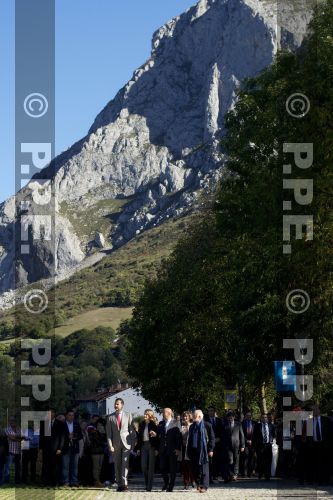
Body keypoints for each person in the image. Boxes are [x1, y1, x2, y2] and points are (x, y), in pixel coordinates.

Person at [106, 397, 135, 492]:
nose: (116, 405)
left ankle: (124, 484)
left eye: (117, 404)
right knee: (117, 464)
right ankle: (119, 484)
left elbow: (131, 431)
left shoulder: (128, 415)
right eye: (115, 404)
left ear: (122, 405)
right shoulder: (110, 417)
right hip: (115, 444)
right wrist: (110, 445)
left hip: (127, 443)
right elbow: (109, 433)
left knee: (125, 464)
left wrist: (133, 444)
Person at [150, 408, 182, 492]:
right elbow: (158, 435)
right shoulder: (161, 423)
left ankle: (171, 485)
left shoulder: (176, 422)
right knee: (162, 467)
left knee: (172, 469)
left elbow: (179, 437)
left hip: (172, 449)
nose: (162, 414)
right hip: (162, 449)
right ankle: (166, 482)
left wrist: (178, 448)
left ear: (169, 413)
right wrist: (155, 434)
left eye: (163, 412)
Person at [187, 409, 215, 493]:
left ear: (199, 416)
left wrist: (210, 449)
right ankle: (198, 484)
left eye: (194, 415)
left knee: (204, 470)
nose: (193, 417)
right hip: (194, 450)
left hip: (204, 451)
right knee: (194, 469)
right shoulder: (192, 426)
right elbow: (190, 439)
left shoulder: (207, 425)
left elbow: (212, 438)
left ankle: (204, 486)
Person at [39, 409, 65, 486]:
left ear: (54, 414)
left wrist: (60, 448)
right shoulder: (44, 423)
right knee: (45, 465)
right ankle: (45, 481)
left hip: (56, 449)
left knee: (55, 465)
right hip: (46, 448)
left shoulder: (60, 423)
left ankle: (55, 481)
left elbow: (62, 437)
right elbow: (42, 437)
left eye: (51, 413)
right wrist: (40, 448)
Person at [310, 405, 332, 484]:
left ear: (319, 410)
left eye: (315, 409)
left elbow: (330, 433)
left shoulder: (326, 420)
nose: (313, 411)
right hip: (315, 445)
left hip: (325, 445)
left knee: (326, 462)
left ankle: (326, 479)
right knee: (316, 463)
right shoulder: (310, 421)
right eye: (312, 410)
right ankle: (318, 480)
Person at [137, 409, 158, 491]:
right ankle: (147, 483)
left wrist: (156, 449)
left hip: (152, 446)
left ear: (150, 416)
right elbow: (139, 438)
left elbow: (157, 438)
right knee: (143, 466)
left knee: (151, 467)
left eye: (146, 414)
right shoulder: (141, 424)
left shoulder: (154, 424)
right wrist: (138, 448)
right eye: (144, 414)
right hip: (143, 446)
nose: (145, 416)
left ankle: (149, 486)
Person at [221, 410, 245, 482]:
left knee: (236, 460)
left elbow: (242, 435)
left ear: (234, 417)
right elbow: (223, 436)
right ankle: (231, 474)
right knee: (230, 460)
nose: (230, 418)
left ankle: (235, 474)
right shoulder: (225, 424)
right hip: (228, 446)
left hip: (237, 445)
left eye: (231, 417)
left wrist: (243, 445)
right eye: (229, 417)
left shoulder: (238, 424)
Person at [62, 409, 83, 487]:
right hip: (65, 447)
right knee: (65, 466)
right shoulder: (62, 424)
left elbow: (80, 437)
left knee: (75, 466)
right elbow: (60, 436)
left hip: (75, 448)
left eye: (72, 415)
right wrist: (67, 437)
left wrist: (74, 437)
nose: (71, 417)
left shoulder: (76, 425)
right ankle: (66, 481)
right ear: (66, 416)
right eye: (69, 415)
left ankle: (74, 481)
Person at [4, 416, 28, 484]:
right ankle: (6, 481)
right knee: (8, 467)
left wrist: (18, 437)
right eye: (11, 421)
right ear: (9, 422)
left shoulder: (19, 429)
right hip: (10, 451)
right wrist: (19, 438)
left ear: (15, 422)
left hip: (18, 451)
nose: (12, 422)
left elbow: (24, 437)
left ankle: (17, 481)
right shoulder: (7, 429)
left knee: (18, 467)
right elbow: (11, 438)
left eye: (13, 420)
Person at [253, 413, 275, 480]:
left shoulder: (271, 425)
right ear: (261, 418)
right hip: (260, 445)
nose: (264, 419)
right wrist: (255, 446)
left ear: (267, 418)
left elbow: (273, 434)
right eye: (263, 417)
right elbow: (255, 436)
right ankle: (260, 473)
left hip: (268, 445)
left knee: (268, 460)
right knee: (260, 460)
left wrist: (272, 440)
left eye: (265, 417)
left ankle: (267, 475)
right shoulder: (257, 426)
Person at [204, 407, 223, 483]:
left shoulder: (219, 420)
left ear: (215, 412)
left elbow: (222, 431)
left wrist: (220, 438)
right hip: (209, 444)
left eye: (211, 411)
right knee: (210, 461)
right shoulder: (206, 421)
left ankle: (215, 476)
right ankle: (210, 477)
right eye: (209, 411)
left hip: (218, 443)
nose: (210, 412)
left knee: (217, 461)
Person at [87, 418, 106, 487]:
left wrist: (103, 433)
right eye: (99, 425)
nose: (100, 426)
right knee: (96, 467)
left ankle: (98, 480)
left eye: (101, 425)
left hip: (101, 451)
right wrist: (100, 433)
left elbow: (105, 441)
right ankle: (96, 481)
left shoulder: (103, 432)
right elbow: (97, 441)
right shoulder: (94, 432)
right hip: (95, 451)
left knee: (100, 467)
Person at [181, 411, 194, 490]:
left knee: (191, 466)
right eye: (184, 416)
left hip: (191, 449)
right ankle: (186, 483)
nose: (185, 418)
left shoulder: (192, 426)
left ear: (189, 417)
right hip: (183, 448)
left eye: (186, 416)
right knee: (184, 467)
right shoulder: (181, 427)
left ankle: (193, 480)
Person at [241, 410, 256, 477]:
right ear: (245, 416)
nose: (248, 417)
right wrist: (246, 440)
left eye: (250, 416)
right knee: (245, 458)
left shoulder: (254, 423)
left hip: (253, 443)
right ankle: (244, 473)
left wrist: (252, 441)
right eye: (247, 416)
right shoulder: (242, 423)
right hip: (245, 443)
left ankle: (250, 473)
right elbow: (241, 434)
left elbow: (256, 434)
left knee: (252, 458)